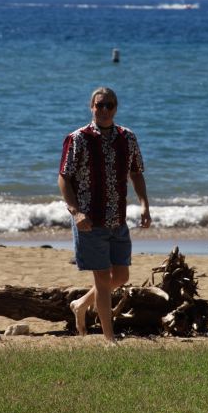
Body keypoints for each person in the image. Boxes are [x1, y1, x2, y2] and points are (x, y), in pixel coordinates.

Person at [58, 87, 151, 344]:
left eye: (109, 105)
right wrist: (75, 212)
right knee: (101, 279)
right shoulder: (77, 138)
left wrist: (144, 205)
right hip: (89, 221)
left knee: (121, 277)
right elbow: (64, 178)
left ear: (116, 107)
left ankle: (80, 304)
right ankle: (109, 339)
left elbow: (136, 173)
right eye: (100, 105)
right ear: (91, 107)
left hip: (117, 219)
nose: (104, 110)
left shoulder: (128, 137)